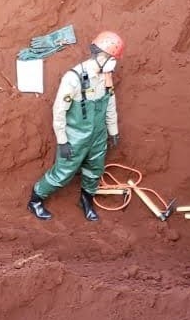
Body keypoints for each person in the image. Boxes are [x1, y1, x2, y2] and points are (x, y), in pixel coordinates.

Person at [27, 31, 125, 222]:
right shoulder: (74, 78)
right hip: (75, 137)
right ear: (102, 56)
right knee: (63, 173)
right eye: (113, 59)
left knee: (95, 170)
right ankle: (36, 199)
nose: (115, 64)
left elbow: (110, 105)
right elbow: (59, 111)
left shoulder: (106, 77)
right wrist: (63, 141)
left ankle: (86, 201)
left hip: (98, 136)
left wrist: (113, 131)